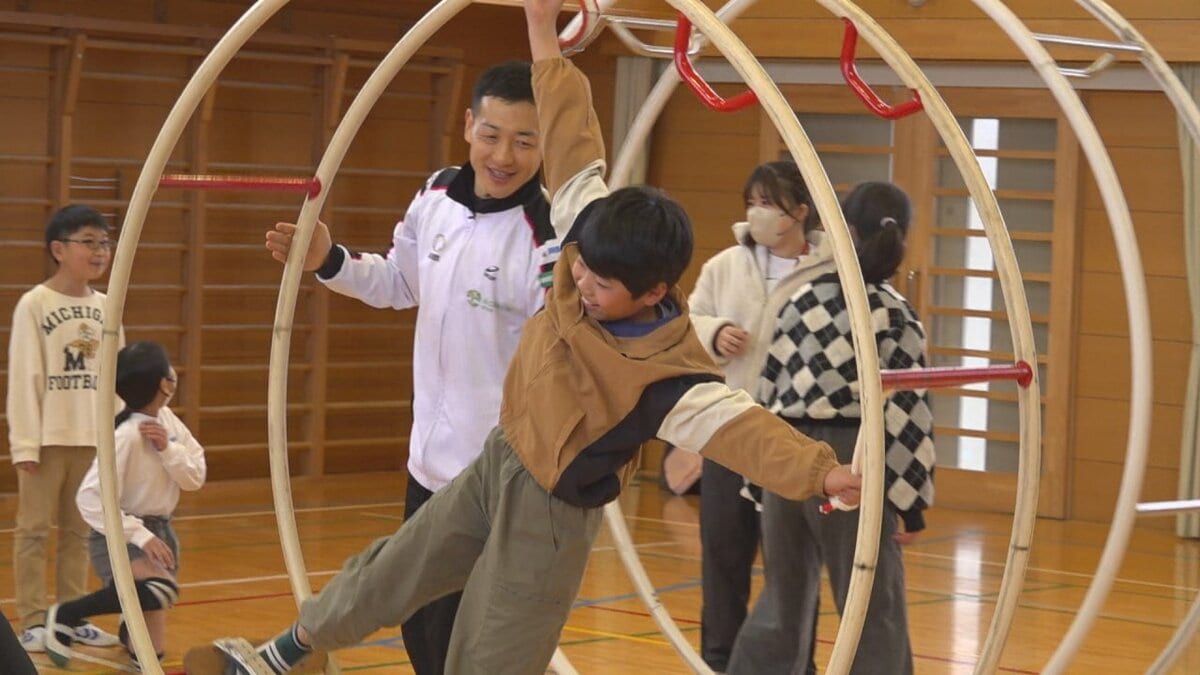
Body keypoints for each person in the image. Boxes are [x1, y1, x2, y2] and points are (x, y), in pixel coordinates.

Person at [211, 3, 861, 673]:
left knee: (492, 648)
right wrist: (542, 32)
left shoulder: (664, 374)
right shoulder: (577, 226)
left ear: (653, 293)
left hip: (551, 508)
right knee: (392, 572)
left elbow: (743, 430)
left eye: (603, 286)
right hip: (496, 457)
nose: (580, 284)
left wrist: (825, 471)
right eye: (583, 268)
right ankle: (286, 651)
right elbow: (571, 127)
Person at [263, 61, 555, 675]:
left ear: (545, 142)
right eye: (492, 134)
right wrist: (329, 260)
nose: (504, 154)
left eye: (525, 140)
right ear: (468, 125)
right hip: (427, 468)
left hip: (496, 482)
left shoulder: (548, 237)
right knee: (423, 637)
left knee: (475, 647)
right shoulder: (436, 195)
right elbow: (401, 282)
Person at [727, 182, 935, 675]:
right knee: (869, 600)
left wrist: (759, 478)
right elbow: (906, 413)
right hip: (854, 459)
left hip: (787, 454)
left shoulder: (800, 301)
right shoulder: (894, 313)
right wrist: (913, 504)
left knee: (783, 599)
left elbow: (768, 387)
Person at [687, 160, 836, 672]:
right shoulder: (723, 266)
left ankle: (796, 664)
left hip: (795, 439)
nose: (758, 212)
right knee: (723, 556)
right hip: (728, 431)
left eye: (770, 203)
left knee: (792, 566)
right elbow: (687, 325)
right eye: (752, 201)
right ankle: (720, 661)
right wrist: (714, 332)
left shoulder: (832, 270)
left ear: (799, 210)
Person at [41, 341, 205, 668]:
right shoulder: (126, 435)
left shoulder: (169, 421)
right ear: (163, 383)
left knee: (148, 656)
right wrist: (140, 536)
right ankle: (67, 613)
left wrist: (168, 450)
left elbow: (195, 476)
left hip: (161, 532)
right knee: (160, 589)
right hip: (119, 535)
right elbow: (89, 498)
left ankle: (129, 624)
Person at [7, 204, 122, 653]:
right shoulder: (35, 304)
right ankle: (34, 620)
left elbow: (115, 376)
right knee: (34, 530)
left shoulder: (106, 306)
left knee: (80, 533)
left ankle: (70, 616)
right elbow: (24, 378)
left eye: (104, 243)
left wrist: (116, 435)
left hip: (92, 440)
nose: (99, 252)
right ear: (58, 249)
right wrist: (25, 444)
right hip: (46, 441)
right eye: (88, 242)